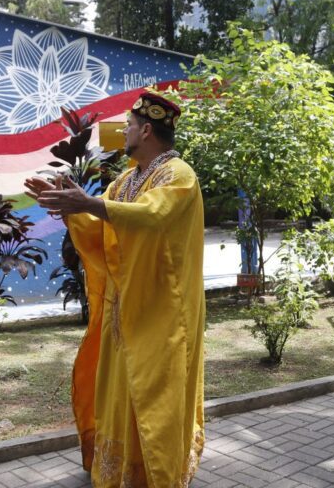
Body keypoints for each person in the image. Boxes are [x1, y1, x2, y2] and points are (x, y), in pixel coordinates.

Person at [25, 92, 205, 486]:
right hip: (123, 309)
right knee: (121, 392)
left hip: (161, 311)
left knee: (156, 394)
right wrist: (71, 206)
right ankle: (123, 473)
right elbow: (101, 224)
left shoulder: (178, 175)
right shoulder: (127, 180)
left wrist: (87, 203)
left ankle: (158, 474)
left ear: (146, 129)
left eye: (127, 126)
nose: (121, 132)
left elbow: (154, 216)